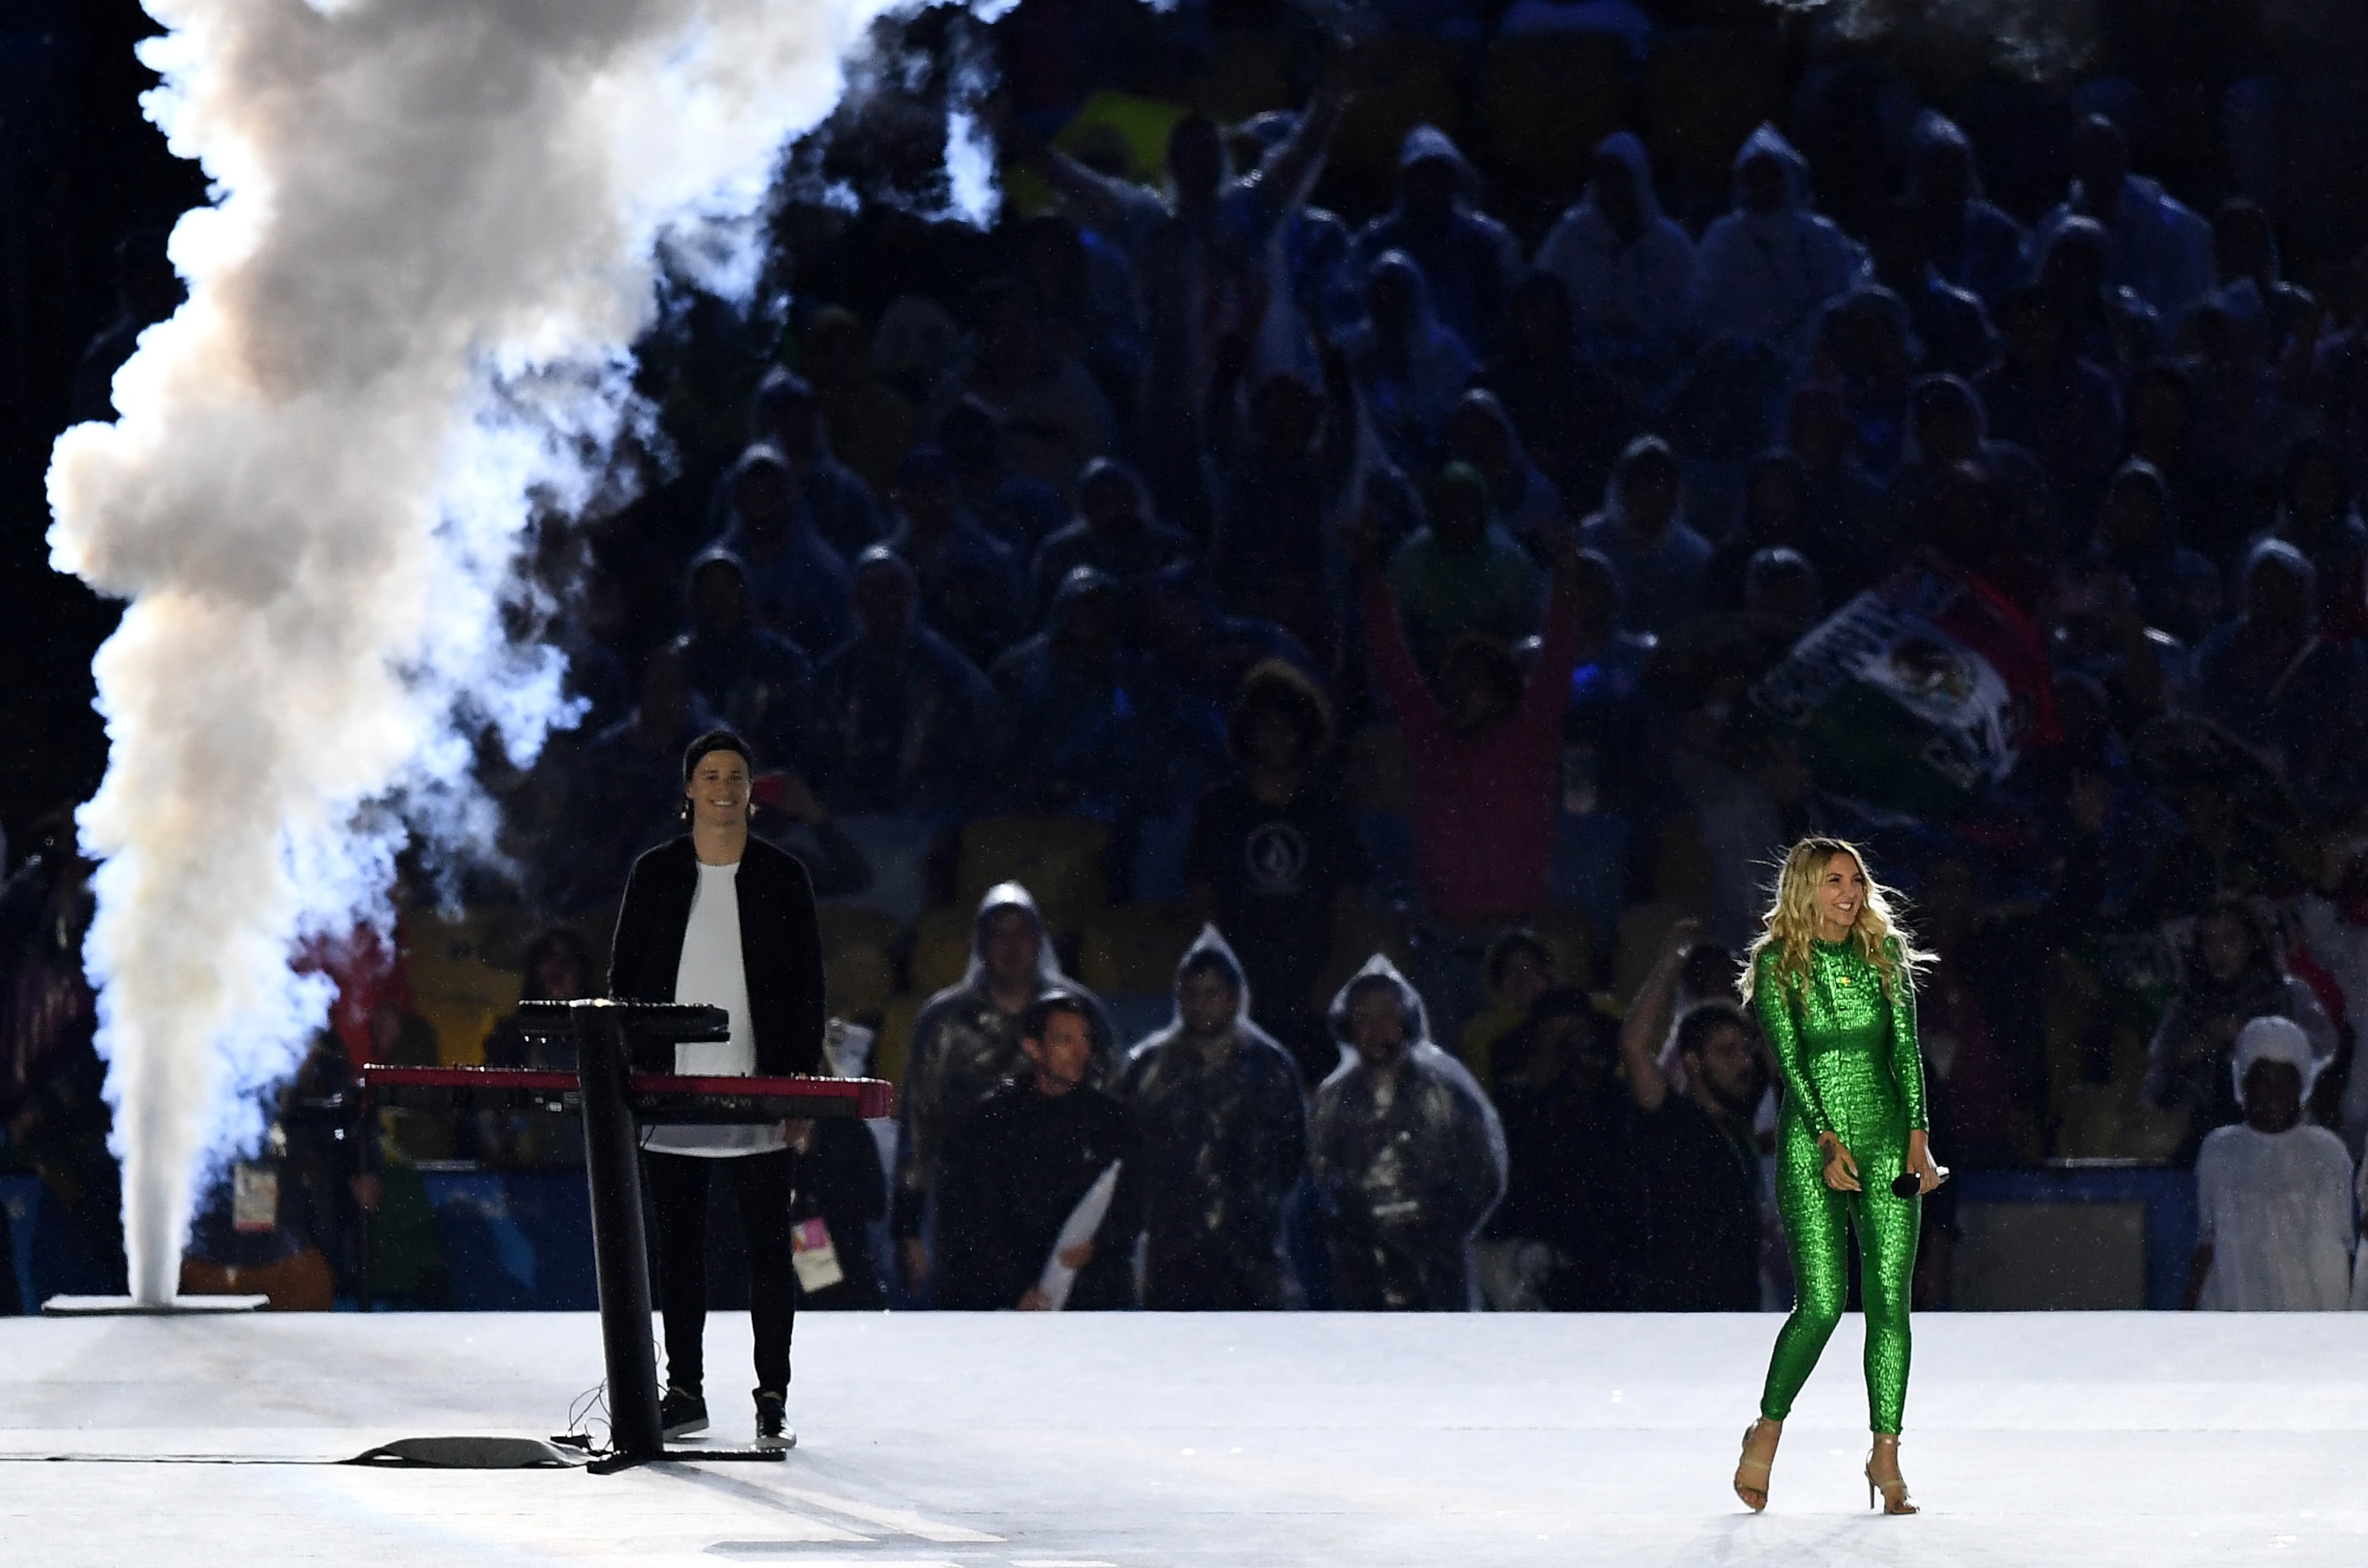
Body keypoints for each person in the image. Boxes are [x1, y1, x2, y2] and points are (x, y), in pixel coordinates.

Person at [607, 731, 827, 1451]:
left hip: (760, 1092)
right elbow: (625, 984)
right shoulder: (655, 873)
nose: (724, 785)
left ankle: (772, 1399)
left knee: (770, 1249)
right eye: (710, 774)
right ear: (690, 790)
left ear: (752, 790)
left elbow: (805, 992)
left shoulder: (785, 876)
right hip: (674, 1095)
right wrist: (636, 1077)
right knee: (680, 1249)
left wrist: (798, 1091)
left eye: (736, 773)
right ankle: (686, 1390)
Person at [1731, 838, 1944, 1517]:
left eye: (1855, 879)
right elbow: (1789, 1061)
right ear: (1804, 889)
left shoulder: (1884, 956)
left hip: (1887, 1140)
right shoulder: (1778, 965)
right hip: (1809, 1140)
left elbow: (1907, 1048)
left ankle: (1887, 1452)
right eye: (1832, 881)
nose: (1849, 892)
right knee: (1822, 1302)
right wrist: (1825, 1137)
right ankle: (1767, 1426)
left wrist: (1918, 1140)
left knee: (1890, 1301)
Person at [892, 883, 1119, 1296]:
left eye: (1022, 932)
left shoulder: (1080, 1013)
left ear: (1039, 938)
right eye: (999, 933)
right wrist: (907, 1227)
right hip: (969, 1214)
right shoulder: (945, 1019)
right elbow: (920, 1122)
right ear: (981, 942)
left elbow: (1111, 1117)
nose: (1011, 945)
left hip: (1062, 1208)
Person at [1183, 661, 1365, 1086]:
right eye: (1265, 726)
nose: (1276, 738)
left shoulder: (1327, 809)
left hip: (1313, 986)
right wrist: (1220, 983)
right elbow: (1204, 903)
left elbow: (1347, 901)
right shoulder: (1220, 808)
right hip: (1243, 985)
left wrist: (1333, 976)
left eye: (1287, 727)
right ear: (1247, 731)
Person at [1115, 929, 1310, 1310]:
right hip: (1171, 1255)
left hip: (1253, 1256)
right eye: (1192, 994)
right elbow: (1127, 1153)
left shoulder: (1270, 1067)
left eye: (1213, 994)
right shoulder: (1148, 1067)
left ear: (1235, 998)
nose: (1201, 1005)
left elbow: (1293, 1155)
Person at [1309, 958, 1507, 1311]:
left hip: (1437, 1270)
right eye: (1363, 1017)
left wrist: (1436, 1228)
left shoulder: (1445, 1093)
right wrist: (1356, 1225)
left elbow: (1481, 1175)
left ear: (1406, 1021)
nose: (1376, 1028)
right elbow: (1321, 1179)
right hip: (1361, 1272)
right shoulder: (1332, 1101)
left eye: (1386, 1014)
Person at [933, 991, 1143, 1311]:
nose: (1080, 1051)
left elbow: (1134, 1201)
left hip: (1091, 1299)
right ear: (1033, 1048)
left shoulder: (1110, 1121)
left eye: (1085, 1039)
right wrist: (1013, 1289)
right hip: (1013, 1305)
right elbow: (972, 1220)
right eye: (1064, 1040)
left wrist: (1101, 1245)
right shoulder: (991, 1122)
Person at [810, 547, 1005, 818]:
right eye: (871, 592)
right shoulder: (835, 674)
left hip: (929, 815)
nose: (881, 601)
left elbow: (977, 746)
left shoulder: (949, 672)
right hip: (853, 815)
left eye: (891, 590)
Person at [2144, 897, 2337, 1161]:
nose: (2219, 951)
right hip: (2207, 1139)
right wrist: (2183, 1057)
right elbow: (2154, 1089)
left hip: (2282, 1135)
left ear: (2251, 943)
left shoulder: (2288, 995)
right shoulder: (2186, 1007)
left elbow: (2324, 1046)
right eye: (2209, 941)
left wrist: (2259, 1039)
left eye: (2230, 939)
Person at [2182, 1017, 2355, 1311]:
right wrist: (2183, 1319)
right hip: (2236, 1317)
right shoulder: (2219, 1152)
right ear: (2243, 1083)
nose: (2273, 1093)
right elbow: (2208, 1243)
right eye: (2262, 1079)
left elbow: (2340, 1248)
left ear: (2302, 1085)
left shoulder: (2327, 1154)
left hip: (2312, 1320)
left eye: (2286, 1080)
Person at [1534, 131, 1697, 392]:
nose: (1612, 189)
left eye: (1620, 177)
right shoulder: (1570, 234)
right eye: (1605, 177)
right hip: (1583, 361)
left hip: (1656, 366)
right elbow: (1545, 294)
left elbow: (1687, 316)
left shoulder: (1670, 243)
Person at [1350, 125, 1525, 356]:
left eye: (1438, 174)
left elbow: (1506, 309)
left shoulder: (1487, 240)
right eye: (1421, 175)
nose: (1429, 186)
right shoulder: (1376, 241)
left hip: (1470, 364)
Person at [1692, 124, 1865, 356]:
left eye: (1771, 176)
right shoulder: (1724, 237)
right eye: (1755, 178)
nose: (1764, 186)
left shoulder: (1821, 235)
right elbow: (1703, 311)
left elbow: (1840, 301)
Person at [2029, 113, 2214, 327]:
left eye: (2107, 154)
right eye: (2090, 156)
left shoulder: (2166, 222)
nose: (2100, 166)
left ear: (2122, 156)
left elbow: (2185, 298)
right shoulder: (2054, 229)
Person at [1578, 435, 1711, 637]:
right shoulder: (1591, 540)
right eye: (1642, 487)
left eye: (1660, 489)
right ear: (1622, 491)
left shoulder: (1696, 555)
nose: (1651, 498)